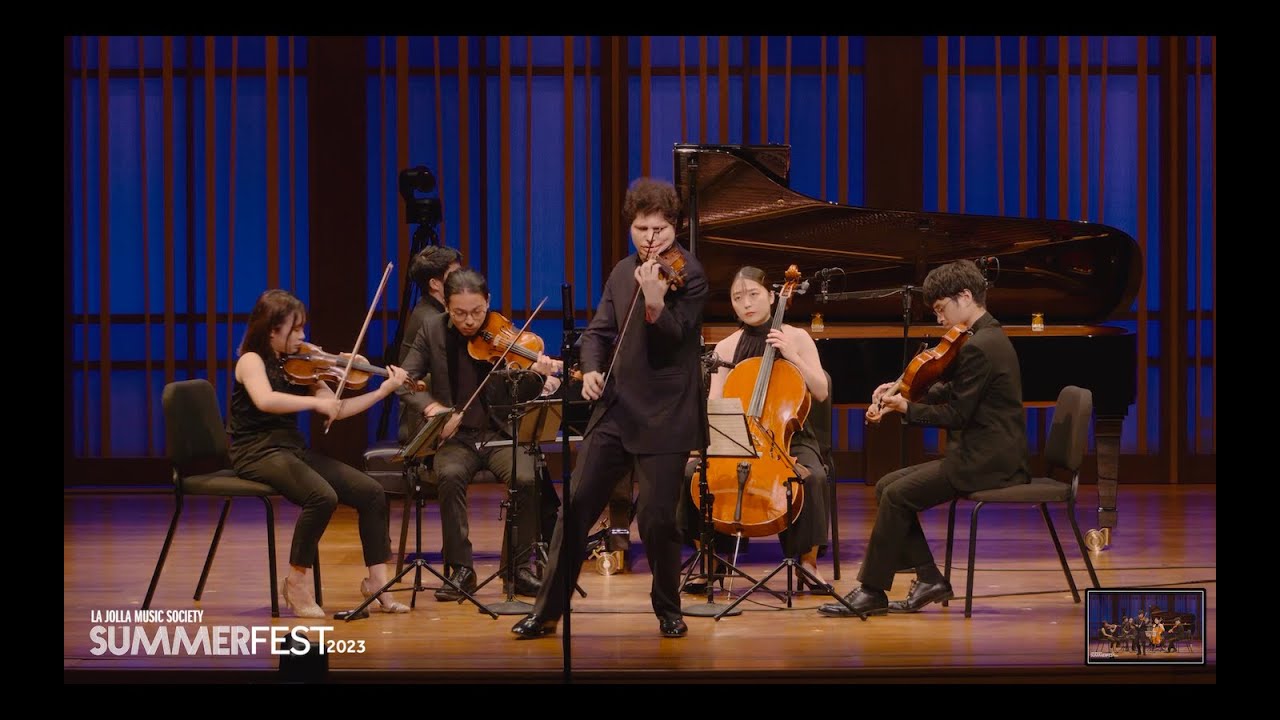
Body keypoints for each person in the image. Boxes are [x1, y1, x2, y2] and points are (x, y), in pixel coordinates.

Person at [512, 177, 708, 639]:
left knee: (657, 521)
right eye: (641, 229)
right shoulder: (622, 272)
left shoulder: (691, 275)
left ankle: (668, 608)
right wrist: (592, 370)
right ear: (630, 227)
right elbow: (598, 332)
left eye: (659, 229)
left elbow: (674, 340)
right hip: (617, 409)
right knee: (576, 505)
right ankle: (547, 612)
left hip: (665, 413)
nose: (650, 238)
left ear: (675, 227)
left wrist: (656, 301)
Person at [818, 259, 1030, 618]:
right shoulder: (982, 337)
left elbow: (957, 415)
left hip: (988, 462)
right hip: (980, 454)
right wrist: (903, 390)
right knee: (887, 487)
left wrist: (906, 407)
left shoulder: (981, 345)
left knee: (897, 495)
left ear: (965, 296)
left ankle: (872, 590)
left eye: (941, 308)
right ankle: (929, 578)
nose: (939, 319)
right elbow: (950, 390)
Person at [229, 289, 411, 618]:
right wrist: (314, 403)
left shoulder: (303, 363)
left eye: (302, 328)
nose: (303, 336)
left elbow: (337, 409)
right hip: (255, 451)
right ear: (272, 331)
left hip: (291, 449)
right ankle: (296, 583)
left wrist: (382, 391)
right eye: (295, 329)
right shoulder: (250, 361)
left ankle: (377, 585)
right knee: (322, 497)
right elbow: (265, 400)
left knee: (371, 492)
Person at [399, 269, 562, 600]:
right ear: (446, 305)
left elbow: (523, 395)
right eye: (459, 313)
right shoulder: (431, 329)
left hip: (501, 432)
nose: (469, 321)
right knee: (449, 475)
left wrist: (538, 376)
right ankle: (461, 570)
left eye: (476, 311)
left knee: (527, 478)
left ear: (488, 301)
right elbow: (405, 381)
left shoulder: (504, 333)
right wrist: (434, 409)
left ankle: (517, 570)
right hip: (456, 437)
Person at [680, 266, 832, 590]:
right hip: (739, 434)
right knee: (693, 473)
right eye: (737, 298)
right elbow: (715, 401)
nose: (746, 303)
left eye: (753, 294)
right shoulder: (726, 347)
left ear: (772, 296)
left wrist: (792, 355)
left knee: (813, 477)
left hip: (789, 435)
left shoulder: (797, 337)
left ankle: (808, 564)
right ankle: (711, 560)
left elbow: (820, 390)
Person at [397, 245, 462, 442]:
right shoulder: (430, 320)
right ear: (435, 284)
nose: (462, 279)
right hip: (423, 418)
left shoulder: (438, 311)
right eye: (454, 275)